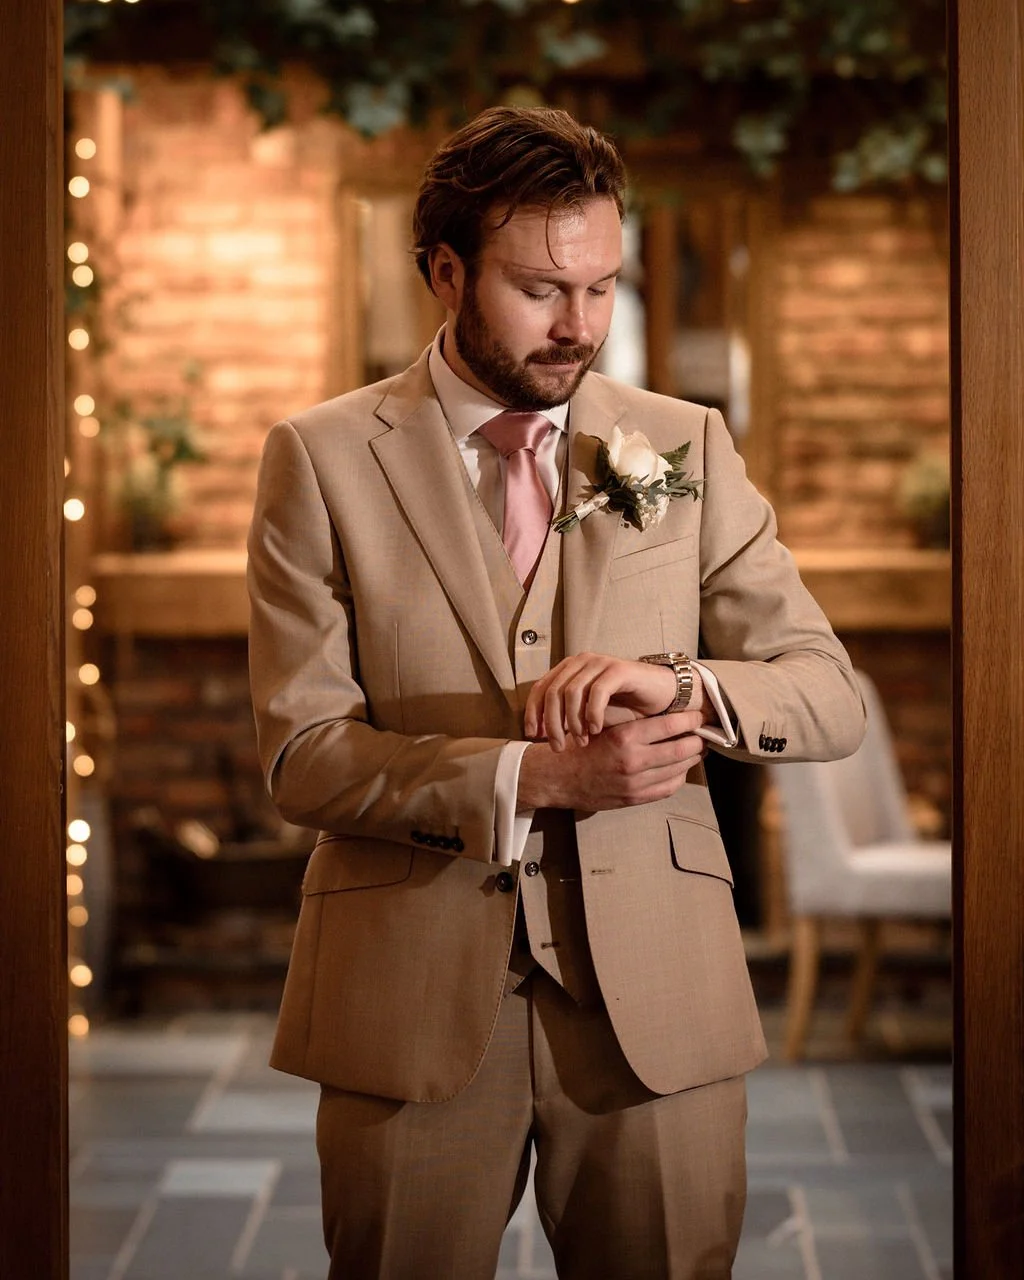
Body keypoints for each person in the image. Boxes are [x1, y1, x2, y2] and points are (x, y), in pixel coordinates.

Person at [247, 105, 865, 1280]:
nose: (580, 326)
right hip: (406, 1004)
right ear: (444, 271)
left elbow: (825, 693)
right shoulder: (321, 457)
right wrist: (534, 775)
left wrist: (672, 677)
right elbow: (302, 755)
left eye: (602, 287)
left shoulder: (684, 444)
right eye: (540, 288)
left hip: (657, 1001)